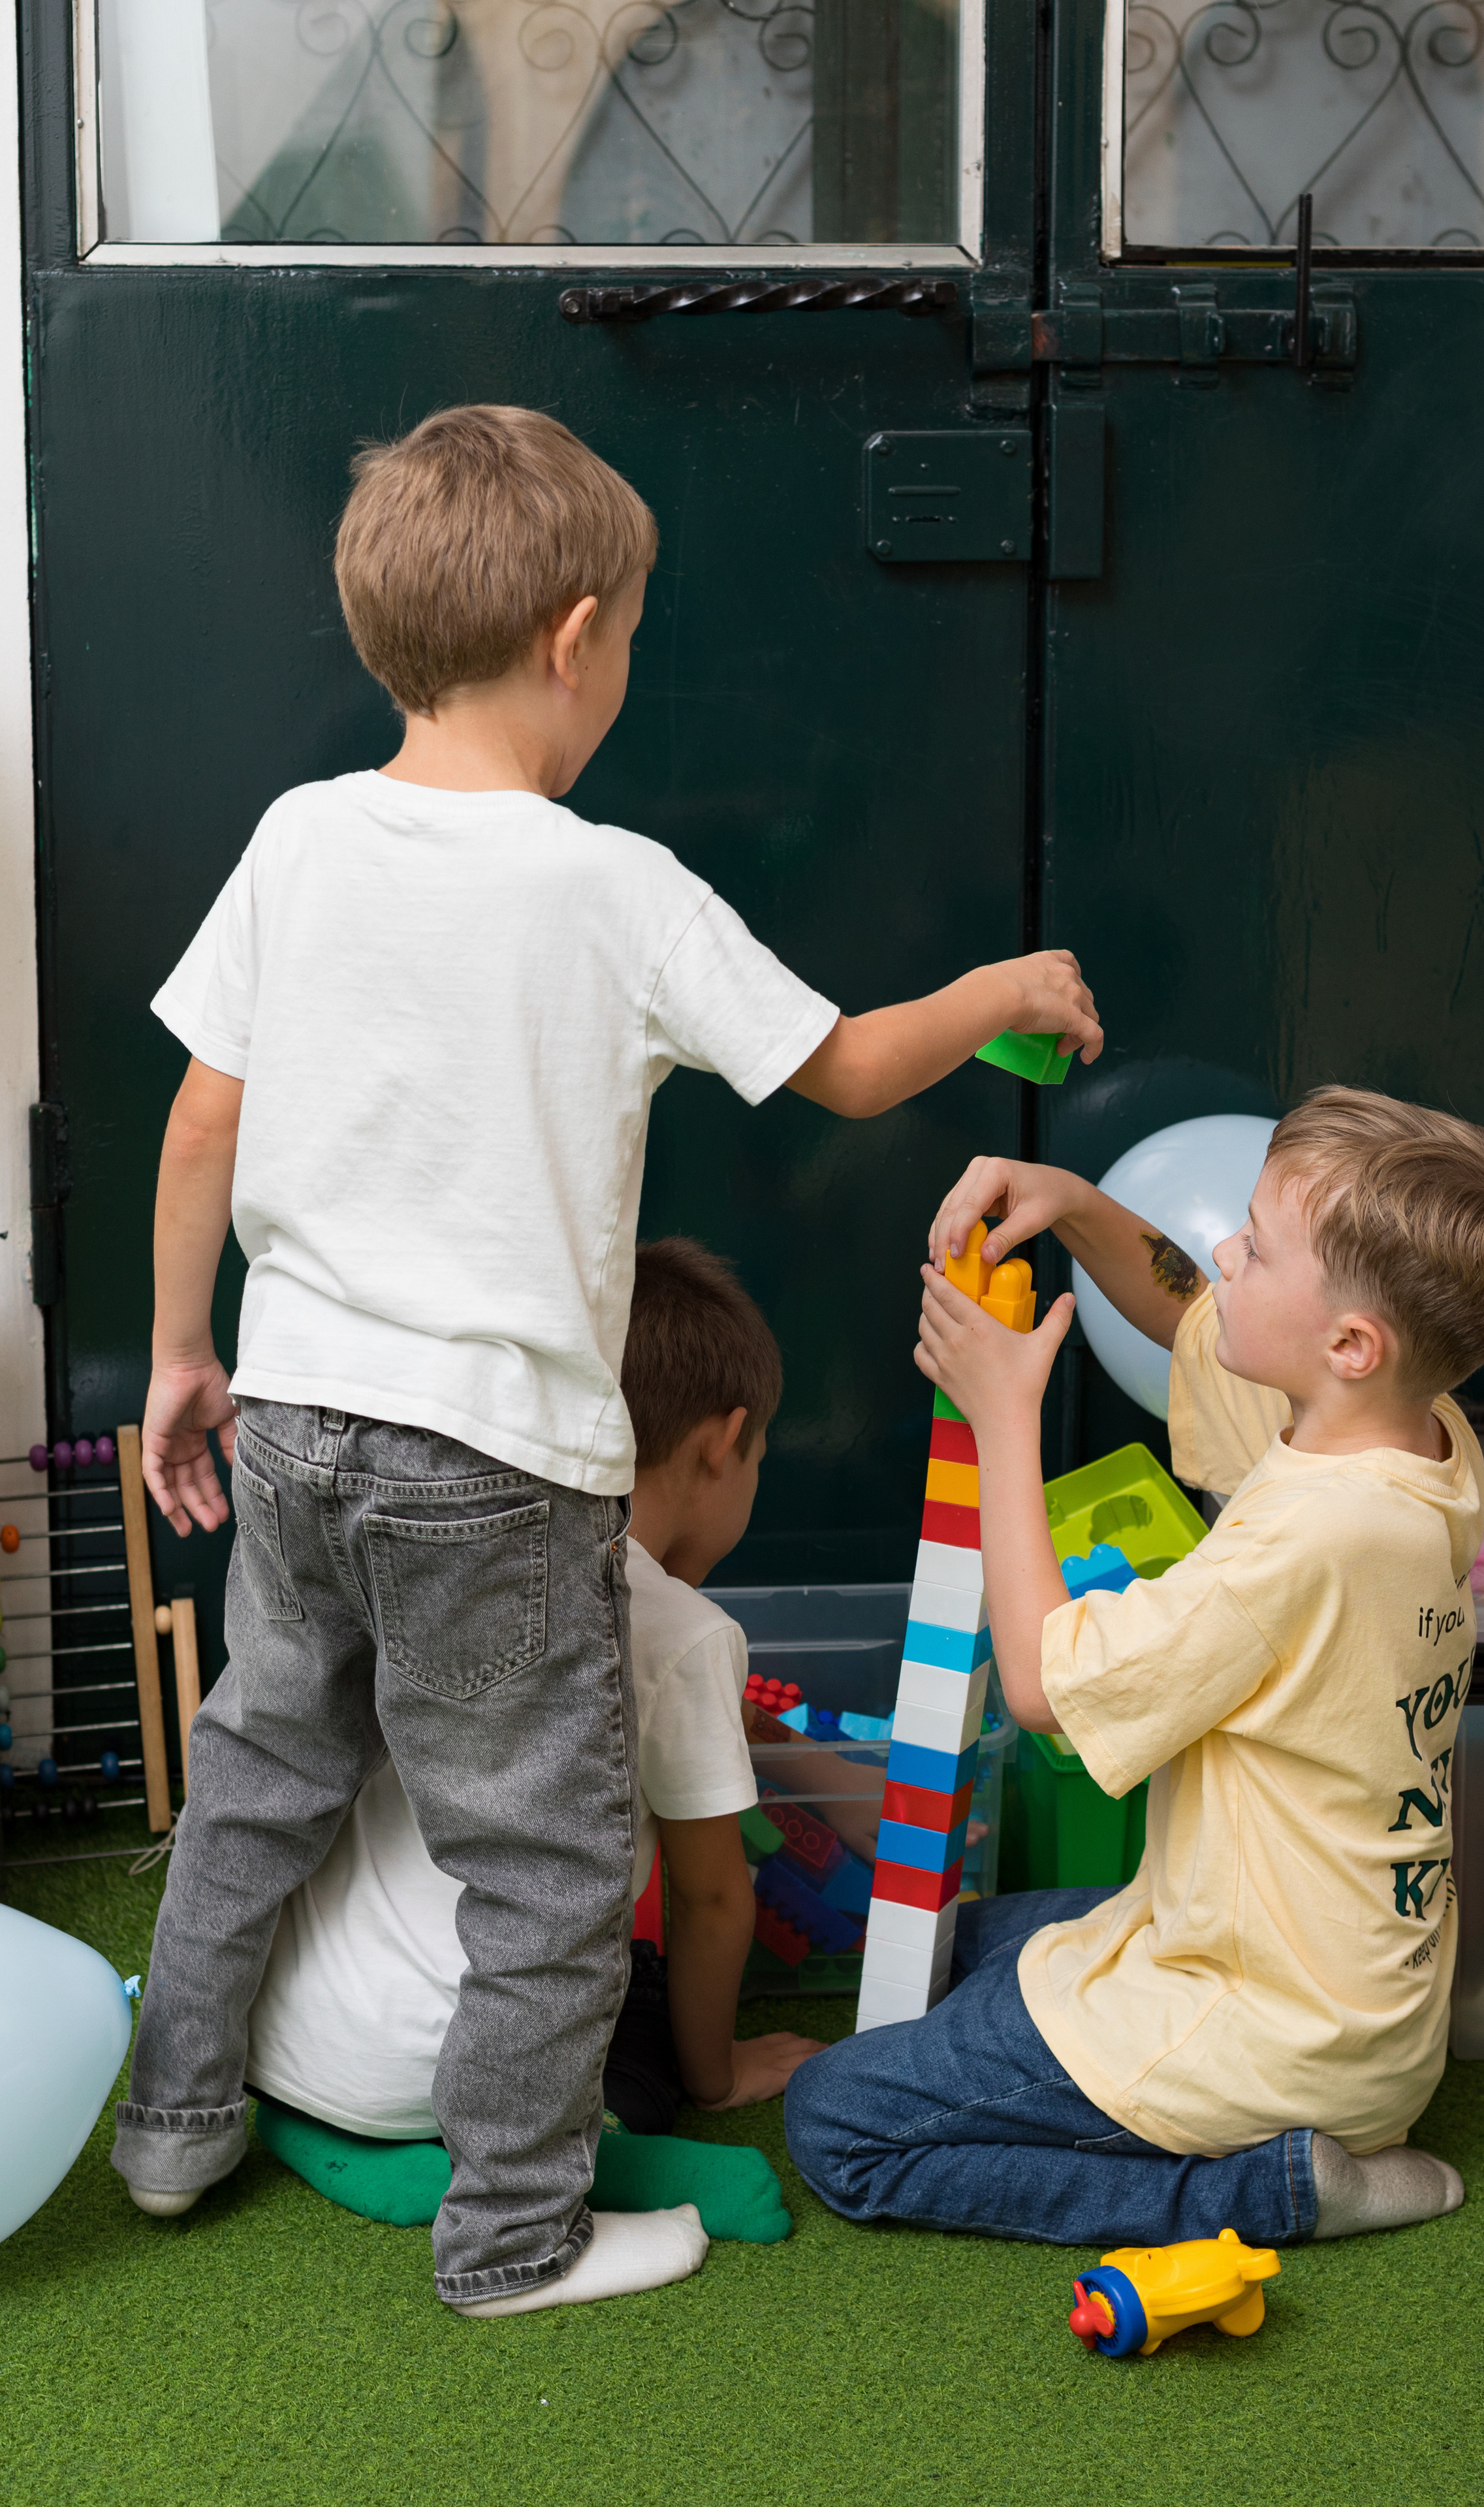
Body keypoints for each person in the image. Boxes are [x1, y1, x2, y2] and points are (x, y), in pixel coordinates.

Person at [114, 403, 1103, 2318]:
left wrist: (178, 1353)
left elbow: (197, 1128)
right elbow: (841, 1063)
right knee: (550, 1867)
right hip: (492, 1468)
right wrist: (995, 996)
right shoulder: (613, 886)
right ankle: (511, 2240)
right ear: (578, 637)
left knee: (258, 1773)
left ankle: (172, 2129)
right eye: (631, 637)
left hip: (301, 1415)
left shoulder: (299, 838)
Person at [785, 1087, 1484, 2248]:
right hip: (1335, 1993)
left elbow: (1046, 1693)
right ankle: (1300, 2133)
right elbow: (1200, 1312)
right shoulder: (1410, 1432)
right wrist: (1074, 1206)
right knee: (977, 1941)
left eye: (1255, 1245)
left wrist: (1006, 1415)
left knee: (835, 2118)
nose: (1222, 1250)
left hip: (1275, 2039)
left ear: (1350, 1343)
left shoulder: (1307, 1539)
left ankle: (1271, 2190)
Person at [241, 1237, 867, 2171]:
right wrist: (718, 2076)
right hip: (446, 2071)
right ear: (722, 1445)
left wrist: (817, 1767)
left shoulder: (449, 1553)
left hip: (288, 2044)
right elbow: (708, 1897)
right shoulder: (686, 1630)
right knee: (641, 1999)